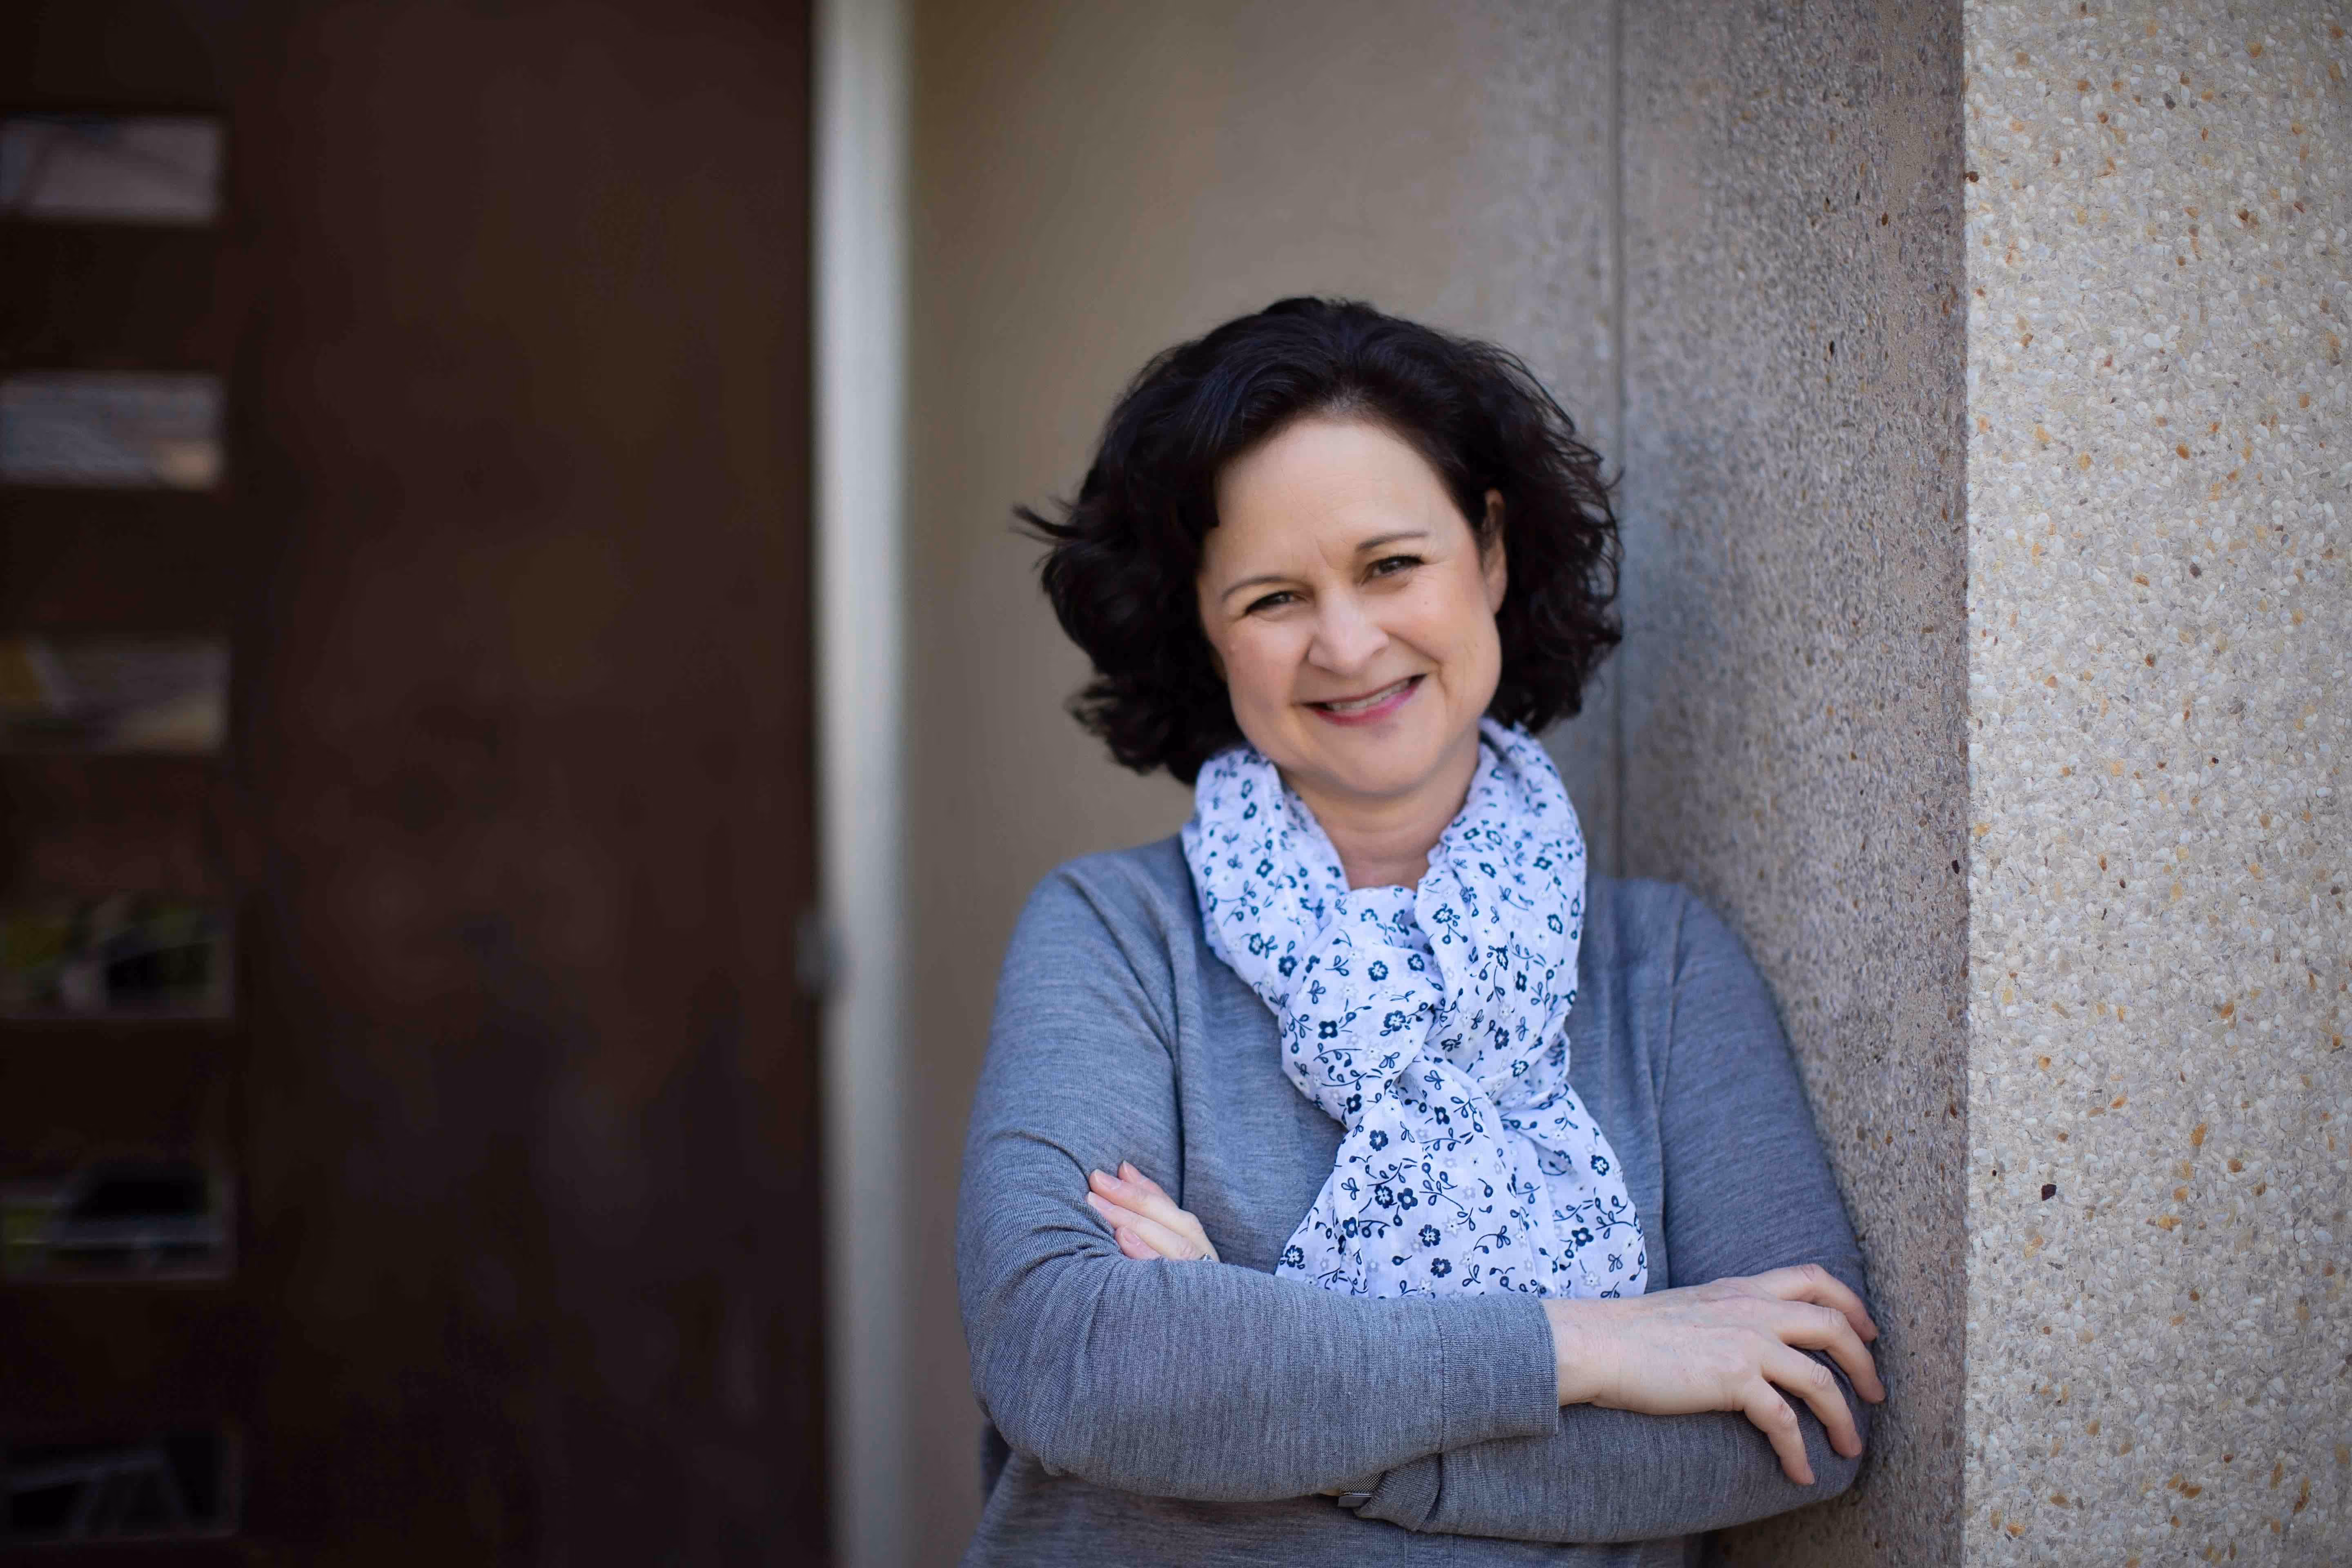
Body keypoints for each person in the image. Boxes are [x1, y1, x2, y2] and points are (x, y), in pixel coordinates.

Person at [956, 297, 1882, 1566]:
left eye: (1393, 566)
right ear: (1204, 626)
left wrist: (1248, 1367)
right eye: (1275, 597)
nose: (1347, 643)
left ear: (1490, 554)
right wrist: (1585, 1346)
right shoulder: (1114, 941)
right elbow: (1064, 1357)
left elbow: (1804, 1415)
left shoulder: (1659, 971)